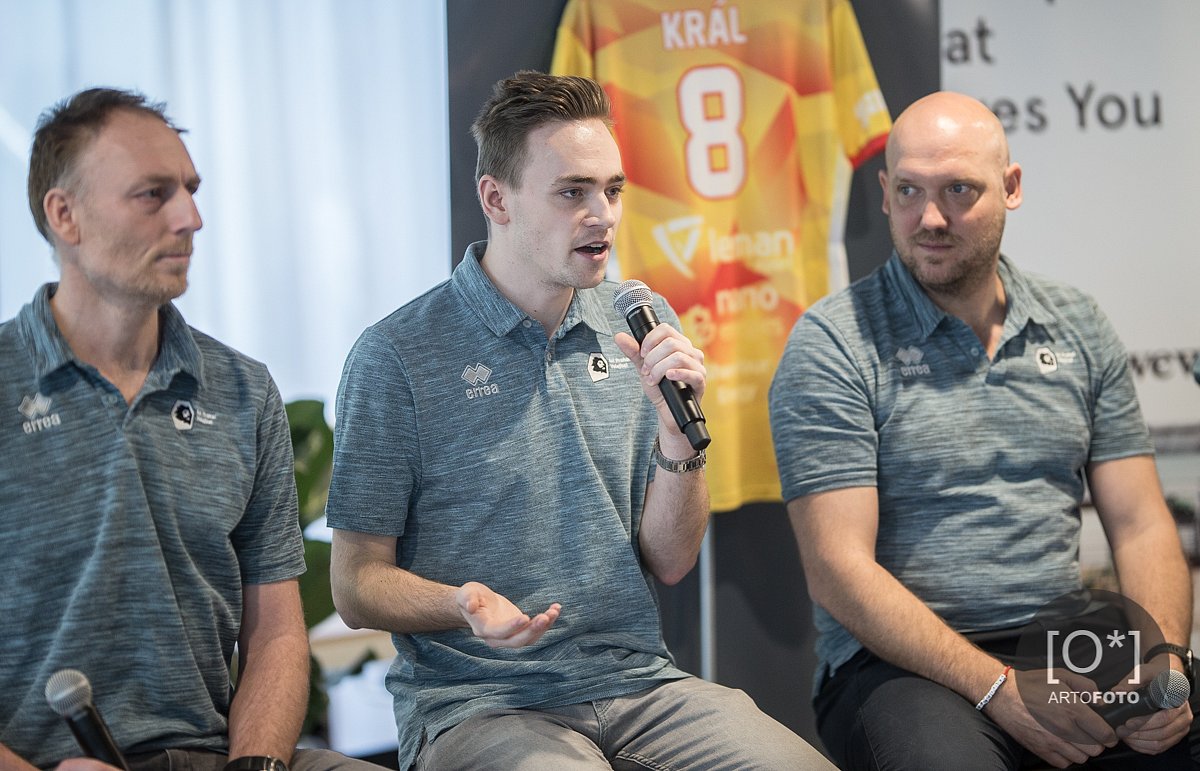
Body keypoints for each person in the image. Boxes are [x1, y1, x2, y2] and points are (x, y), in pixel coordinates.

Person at [325, 70, 834, 771]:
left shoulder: (639, 326)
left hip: (639, 683)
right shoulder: (397, 355)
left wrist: (678, 439)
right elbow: (355, 585)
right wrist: (461, 602)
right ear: (496, 199)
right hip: (479, 703)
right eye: (573, 192)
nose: (603, 215)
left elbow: (672, 560)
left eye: (612, 190)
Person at [768, 90, 1196, 769]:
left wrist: (1164, 658)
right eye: (908, 191)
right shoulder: (833, 343)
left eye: (959, 190)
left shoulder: (1078, 324)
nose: (930, 218)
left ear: (1011, 187)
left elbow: (1142, 522)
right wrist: (997, 686)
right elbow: (837, 570)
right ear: (884, 192)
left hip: (1063, 640)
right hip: (898, 666)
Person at [0, 88, 380, 771]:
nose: (191, 218)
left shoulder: (242, 390)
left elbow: (275, 633)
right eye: (153, 194)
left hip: (214, 756)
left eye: (190, 190)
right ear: (65, 215)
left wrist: (257, 764)